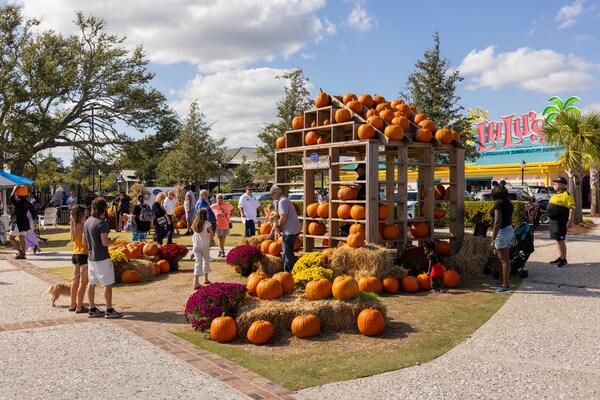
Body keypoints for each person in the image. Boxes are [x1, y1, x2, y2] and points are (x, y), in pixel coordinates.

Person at [83, 198, 122, 318]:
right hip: (102, 257)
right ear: (103, 209)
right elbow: (105, 242)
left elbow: (84, 241)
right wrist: (112, 241)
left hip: (91, 257)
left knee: (92, 283)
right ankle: (109, 309)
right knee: (107, 284)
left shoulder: (87, 221)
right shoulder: (102, 223)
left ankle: (92, 308)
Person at [270, 186, 301, 272]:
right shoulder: (284, 200)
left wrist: (278, 226)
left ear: (277, 193)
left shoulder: (282, 202)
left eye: (272, 194)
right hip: (294, 228)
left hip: (290, 230)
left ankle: (290, 272)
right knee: (288, 252)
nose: (272, 196)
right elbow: (280, 213)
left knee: (287, 253)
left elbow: (284, 217)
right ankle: (289, 271)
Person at [490, 184, 515, 294]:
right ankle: (502, 282)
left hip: (501, 232)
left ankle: (506, 286)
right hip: (509, 230)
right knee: (502, 259)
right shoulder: (509, 203)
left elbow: (497, 222)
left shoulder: (498, 204)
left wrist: (493, 239)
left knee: (504, 260)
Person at [547, 177, 575, 268]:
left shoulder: (567, 194)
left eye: (556, 183)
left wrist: (570, 220)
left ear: (562, 185)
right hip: (553, 221)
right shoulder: (555, 195)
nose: (554, 184)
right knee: (557, 240)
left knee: (561, 239)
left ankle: (564, 259)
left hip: (561, 221)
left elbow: (572, 208)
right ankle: (560, 257)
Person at [69, 205, 89, 313]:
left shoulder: (73, 225)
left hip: (75, 254)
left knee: (75, 281)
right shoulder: (83, 225)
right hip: (83, 254)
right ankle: (79, 306)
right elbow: (85, 241)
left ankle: (72, 304)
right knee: (83, 282)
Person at [8, 185, 37, 259]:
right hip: (25, 222)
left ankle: (20, 252)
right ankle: (23, 254)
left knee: (11, 238)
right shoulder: (27, 202)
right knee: (22, 238)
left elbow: (11, 197)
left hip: (18, 222)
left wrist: (14, 189)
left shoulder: (18, 202)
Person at [192, 208, 214, 290]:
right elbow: (211, 232)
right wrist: (212, 239)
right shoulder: (206, 223)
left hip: (196, 245)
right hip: (205, 244)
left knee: (198, 262)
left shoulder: (194, 223)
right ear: (205, 215)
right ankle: (206, 279)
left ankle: (196, 282)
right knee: (206, 261)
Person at [210, 194, 234, 258]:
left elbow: (232, 208)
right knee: (220, 238)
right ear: (216, 199)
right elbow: (208, 212)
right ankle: (222, 251)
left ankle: (220, 250)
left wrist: (230, 216)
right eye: (218, 198)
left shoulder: (227, 205)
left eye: (221, 198)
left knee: (223, 238)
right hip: (218, 225)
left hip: (226, 224)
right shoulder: (213, 206)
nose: (220, 199)